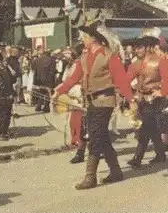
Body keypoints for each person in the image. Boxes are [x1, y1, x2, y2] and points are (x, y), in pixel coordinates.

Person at [54, 21, 135, 190]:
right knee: (102, 136)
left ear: (92, 38)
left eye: (84, 37)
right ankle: (116, 171)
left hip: (105, 101)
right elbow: (73, 78)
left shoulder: (108, 55)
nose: (82, 39)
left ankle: (90, 177)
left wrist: (131, 100)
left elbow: (120, 79)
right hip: (90, 102)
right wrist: (59, 90)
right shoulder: (84, 57)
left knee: (96, 137)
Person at [126, 36, 168, 168]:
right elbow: (126, 79)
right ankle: (160, 154)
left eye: (139, 47)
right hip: (141, 100)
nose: (137, 50)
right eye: (136, 48)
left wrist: (162, 92)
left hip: (155, 100)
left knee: (145, 127)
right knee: (151, 128)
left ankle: (138, 158)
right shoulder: (136, 64)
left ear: (147, 48)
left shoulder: (159, 61)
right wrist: (129, 94)